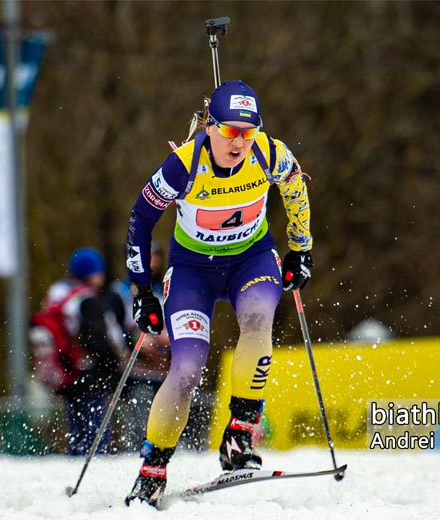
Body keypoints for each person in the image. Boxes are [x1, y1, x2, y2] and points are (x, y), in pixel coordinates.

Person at [123, 80, 313, 507]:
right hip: (193, 272)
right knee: (188, 367)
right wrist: (141, 290)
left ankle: (239, 434)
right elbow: (140, 220)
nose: (239, 142)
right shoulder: (182, 166)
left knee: (260, 320)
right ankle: (152, 469)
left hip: (251, 260)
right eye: (230, 131)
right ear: (210, 126)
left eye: (248, 132)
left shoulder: (270, 153)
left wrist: (300, 248)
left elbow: (296, 188)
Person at [43, 247, 123, 455]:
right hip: (90, 375)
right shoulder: (86, 300)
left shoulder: (57, 296)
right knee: (95, 436)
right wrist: (113, 366)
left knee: (76, 433)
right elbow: (98, 340)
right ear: (92, 273)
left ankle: (75, 463)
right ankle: (93, 474)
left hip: (68, 372)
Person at [108, 241, 171, 451]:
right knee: (138, 420)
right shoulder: (121, 291)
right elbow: (113, 329)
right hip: (136, 371)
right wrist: (135, 341)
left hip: (166, 370)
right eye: (147, 256)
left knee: (168, 418)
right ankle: (134, 451)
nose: (152, 261)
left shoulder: (166, 288)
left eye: (154, 256)